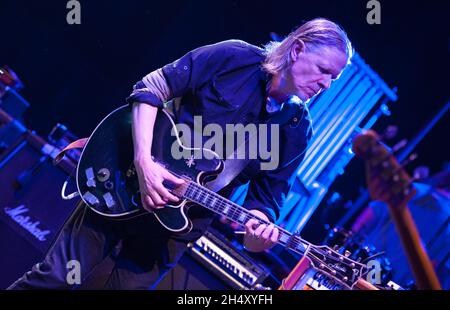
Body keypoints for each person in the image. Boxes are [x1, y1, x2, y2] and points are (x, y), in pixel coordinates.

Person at [8, 17, 352, 290]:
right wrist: (144, 163)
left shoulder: (296, 130)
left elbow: (265, 203)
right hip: (123, 182)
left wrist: (259, 234)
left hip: (174, 228)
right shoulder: (234, 57)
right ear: (297, 50)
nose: (326, 85)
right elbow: (150, 89)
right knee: (52, 280)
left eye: (334, 79)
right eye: (324, 70)